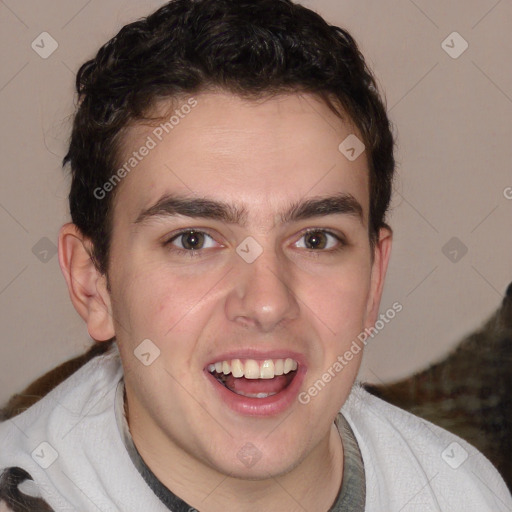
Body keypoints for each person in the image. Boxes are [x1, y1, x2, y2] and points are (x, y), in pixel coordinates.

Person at [0, 0, 511, 510]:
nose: (266, 303)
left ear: (374, 279)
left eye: (316, 239)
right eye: (193, 240)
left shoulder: (461, 493)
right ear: (93, 284)